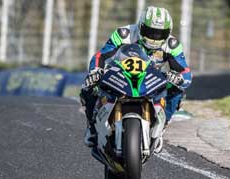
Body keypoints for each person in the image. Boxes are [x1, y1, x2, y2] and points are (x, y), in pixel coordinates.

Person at [80, 6, 192, 151]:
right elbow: (101, 55)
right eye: (150, 32)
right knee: (89, 86)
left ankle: (162, 126)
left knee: (177, 90)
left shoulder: (172, 45)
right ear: (140, 26)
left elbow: (185, 72)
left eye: (159, 34)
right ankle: (92, 128)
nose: (154, 37)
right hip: (120, 74)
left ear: (168, 32)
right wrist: (95, 71)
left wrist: (178, 78)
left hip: (151, 78)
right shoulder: (123, 34)